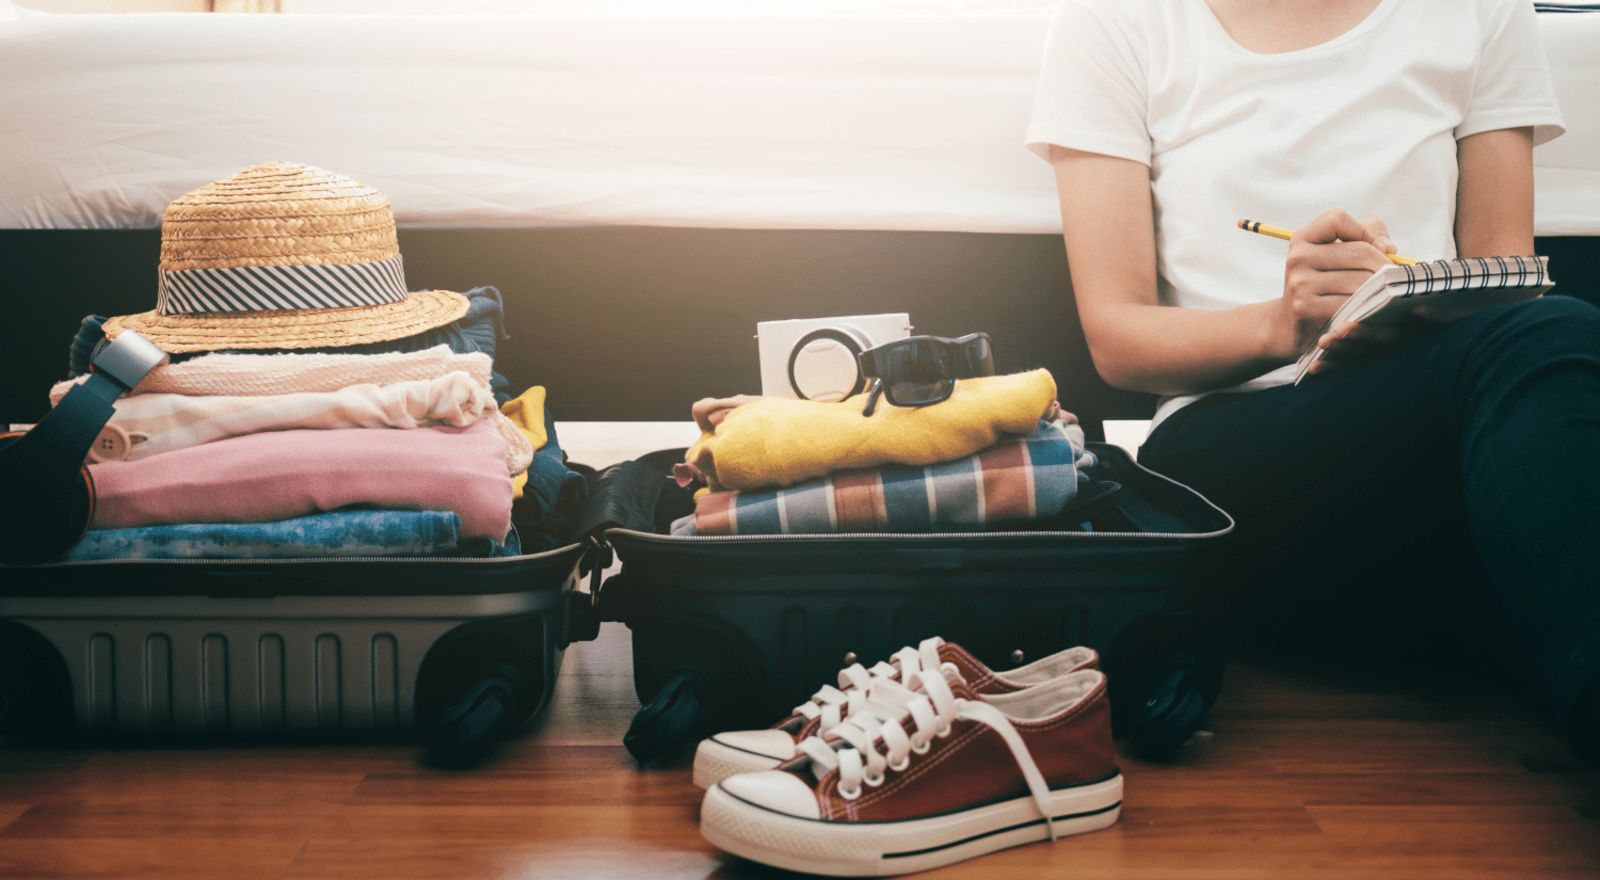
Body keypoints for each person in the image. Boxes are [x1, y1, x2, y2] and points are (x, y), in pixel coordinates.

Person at [1026, 0, 1600, 760]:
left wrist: (1400, 307)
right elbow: (1119, 341)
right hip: (1226, 445)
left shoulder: (1484, 8)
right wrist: (1287, 322)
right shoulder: (1114, 19)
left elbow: (1504, 280)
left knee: (1549, 336)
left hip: (1419, 413)